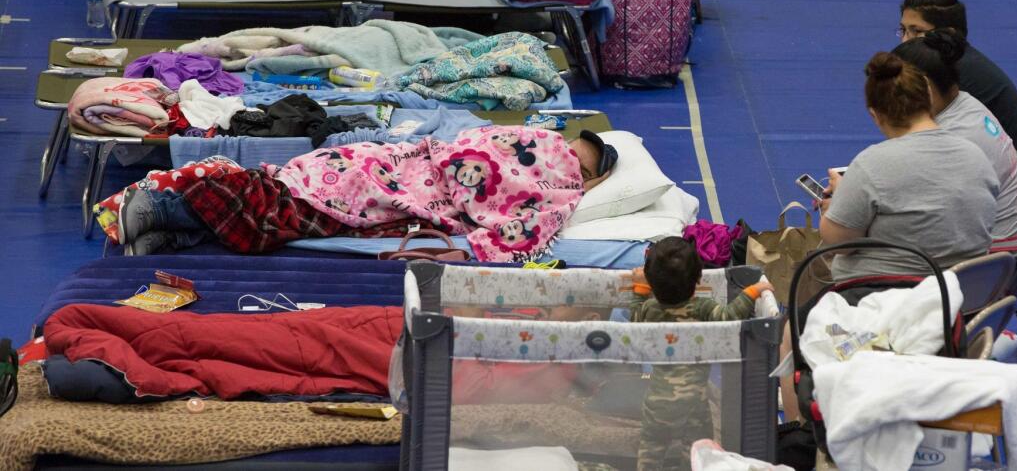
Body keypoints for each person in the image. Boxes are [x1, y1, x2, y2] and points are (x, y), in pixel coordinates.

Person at [116, 127, 617, 262]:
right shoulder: (535, 139)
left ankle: (176, 225)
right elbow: (475, 147)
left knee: (289, 211)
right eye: (570, 146)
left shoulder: (559, 192)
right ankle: (171, 215)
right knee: (299, 189)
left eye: (580, 161)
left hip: (421, 194)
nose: (565, 153)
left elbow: (522, 227)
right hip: (407, 165)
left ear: (587, 179)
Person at [819, 53, 1000, 280]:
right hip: (966, 298)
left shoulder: (871, 164)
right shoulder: (976, 155)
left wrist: (835, 205)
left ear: (875, 115)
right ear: (928, 100)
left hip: (884, 300)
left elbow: (838, 243)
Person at [630, 237, 773, 471]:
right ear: (698, 279)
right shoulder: (702, 308)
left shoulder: (649, 309)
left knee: (651, 448)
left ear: (651, 282)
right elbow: (729, 317)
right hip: (694, 404)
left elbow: (634, 325)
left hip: (657, 403)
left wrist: (639, 290)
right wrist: (751, 292)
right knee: (698, 449)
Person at [893, 29, 1017, 241]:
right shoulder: (966, 102)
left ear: (924, 88)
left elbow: (912, 222)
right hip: (1003, 245)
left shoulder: (948, 143)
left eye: (895, 90)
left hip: (985, 263)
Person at [899, 0, 1017, 174]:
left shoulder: (956, 77)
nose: (906, 41)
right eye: (903, 30)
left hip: (990, 188)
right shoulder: (956, 64)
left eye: (917, 32)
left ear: (949, 33)